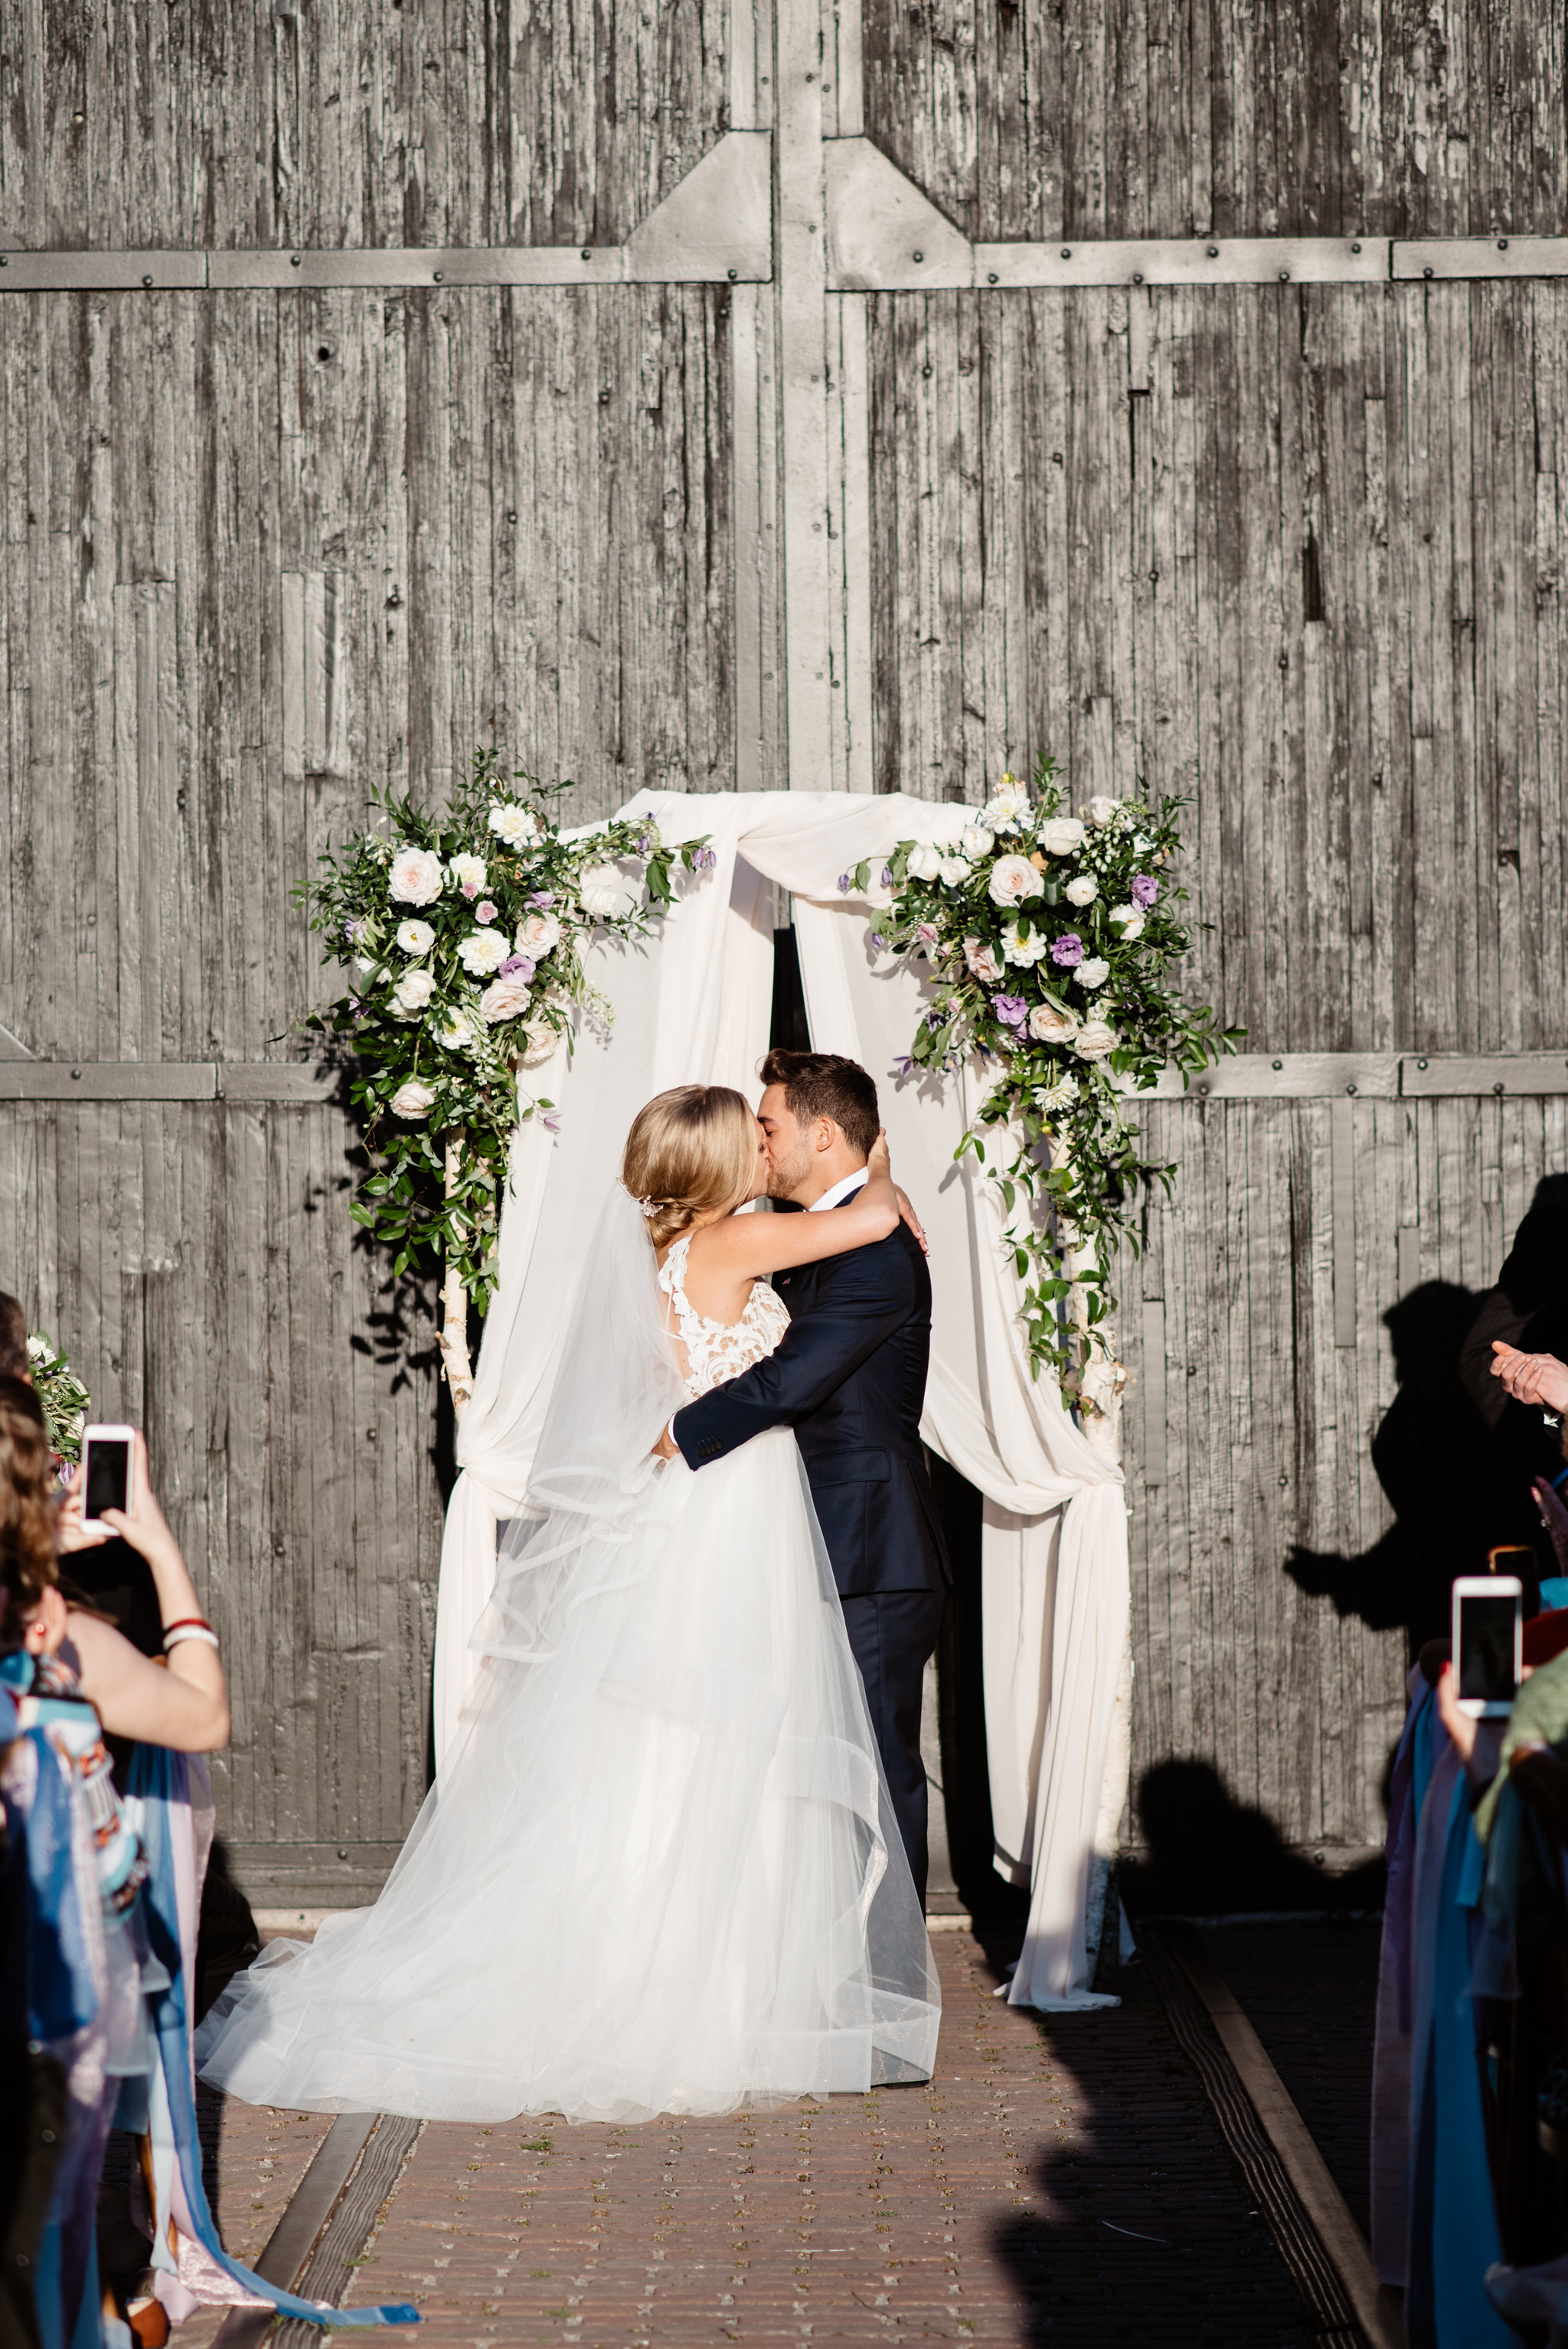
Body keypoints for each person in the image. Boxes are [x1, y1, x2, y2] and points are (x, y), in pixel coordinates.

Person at [196, 1085, 941, 2123]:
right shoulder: (730, 1248)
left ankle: (710, 1974)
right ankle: (711, 1989)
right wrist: (888, 1180)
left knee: (681, 1743)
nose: (762, 1151)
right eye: (751, 1137)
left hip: (706, 1509)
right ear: (719, 1164)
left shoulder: (673, 1253)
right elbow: (862, 1221)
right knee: (724, 1742)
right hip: (727, 1508)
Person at [657, 1050, 950, 1903]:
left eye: (771, 1124)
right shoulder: (813, 1237)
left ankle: (884, 1979)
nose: (761, 1140)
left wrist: (679, 1432)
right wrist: (880, 1186)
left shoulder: (876, 1258)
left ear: (821, 1134)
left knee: (869, 1769)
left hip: (869, 1550)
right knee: (799, 1771)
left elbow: (790, 1379)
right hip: (799, 1543)